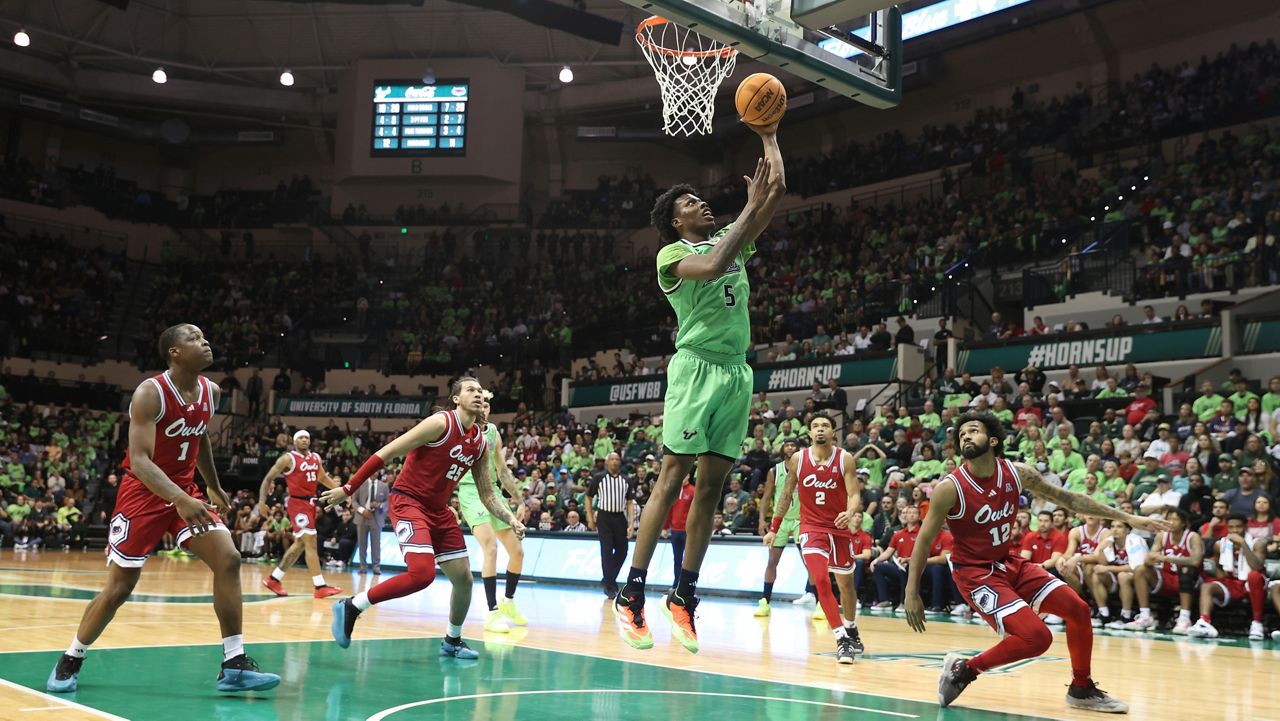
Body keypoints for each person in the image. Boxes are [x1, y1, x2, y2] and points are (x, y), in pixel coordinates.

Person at [614, 120, 786, 653]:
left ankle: (684, 596)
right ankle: (631, 593)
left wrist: (769, 136)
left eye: (700, 199)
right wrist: (745, 215)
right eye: (690, 202)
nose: (701, 203)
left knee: (711, 487)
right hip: (695, 369)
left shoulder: (728, 240)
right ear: (674, 219)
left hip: (737, 372)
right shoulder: (671, 257)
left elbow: (775, 190)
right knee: (672, 478)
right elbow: (713, 263)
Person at [47, 324, 280, 694]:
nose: (205, 342)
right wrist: (180, 498)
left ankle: (234, 663)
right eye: (194, 338)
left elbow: (200, 435)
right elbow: (139, 461)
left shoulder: (212, 392)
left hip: (184, 492)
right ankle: (72, 656)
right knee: (120, 588)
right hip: (143, 493)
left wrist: (212, 485)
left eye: (204, 337)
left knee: (229, 559)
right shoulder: (149, 393)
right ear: (174, 352)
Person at [904, 411, 1167, 714]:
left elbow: (1069, 499)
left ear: (992, 439)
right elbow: (923, 541)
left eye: (973, 430)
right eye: (961, 434)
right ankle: (965, 670)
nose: (965, 436)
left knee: (1078, 610)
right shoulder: (949, 488)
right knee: (1037, 638)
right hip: (976, 574)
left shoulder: (1017, 473)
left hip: (1009, 562)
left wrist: (1127, 517)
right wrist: (912, 592)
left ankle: (1081, 688)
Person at [321, 377, 525, 660]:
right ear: (456, 399)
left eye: (481, 391)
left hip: (439, 511)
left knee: (464, 580)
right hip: (409, 503)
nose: (478, 395)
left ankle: (452, 641)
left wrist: (511, 518)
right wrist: (348, 488)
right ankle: (352, 606)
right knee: (422, 574)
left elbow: (488, 493)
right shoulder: (441, 423)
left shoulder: (479, 443)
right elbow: (387, 452)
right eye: (471, 390)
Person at [763, 414, 866, 663]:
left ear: (833, 433)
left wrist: (850, 512)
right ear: (809, 433)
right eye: (816, 426)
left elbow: (854, 495)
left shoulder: (845, 459)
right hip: (810, 528)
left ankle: (851, 627)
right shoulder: (799, 459)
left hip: (839, 528)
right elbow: (786, 494)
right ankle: (841, 638)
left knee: (846, 586)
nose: (820, 429)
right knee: (820, 580)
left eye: (825, 426)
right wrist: (773, 527)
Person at [456, 396, 527, 633]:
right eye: (480, 404)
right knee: (491, 548)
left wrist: (520, 500)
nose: (483, 408)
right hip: (470, 491)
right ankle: (492, 612)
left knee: (517, 552)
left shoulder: (493, 432)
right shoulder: (462, 430)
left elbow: (503, 470)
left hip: (493, 491)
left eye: (487, 405)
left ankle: (508, 602)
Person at [259, 430, 343, 598]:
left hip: (310, 503)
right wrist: (262, 501)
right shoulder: (288, 459)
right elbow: (268, 478)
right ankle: (320, 587)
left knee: (299, 545)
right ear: (295, 441)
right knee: (310, 541)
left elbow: (323, 478)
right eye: (301, 438)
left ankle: (274, 579)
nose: (305, 440)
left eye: (307, 438)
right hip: (297, 503)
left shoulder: (316, 458)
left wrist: (342, 491)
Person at [1187, 514, 1267, 640]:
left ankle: (1257, 624)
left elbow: (1257, 567)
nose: (1234, 530)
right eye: (1231, 527)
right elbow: (1219, 567)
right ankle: (1204, 622)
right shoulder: (1220, 544)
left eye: (1238, 527)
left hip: (1252, 584)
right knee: (1207, 586)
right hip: (1233, 582)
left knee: (1254, 576)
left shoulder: (1257, 544)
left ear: (1245, 527)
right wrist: (1223, 582)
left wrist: (1243, 545)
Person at [1124, 508, 1204, 634]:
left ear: (1183, 523)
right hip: (1167, 578)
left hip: (1191, 581)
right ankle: (1145, 616)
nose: (1171, 522)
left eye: (1175, 519)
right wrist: (1149, 559)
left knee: (1186, 571)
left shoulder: (1192, 536)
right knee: (1140, 570)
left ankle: (1184, 618)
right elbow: (1150, 557)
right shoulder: (1162, 536)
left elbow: (1196, 561)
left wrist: (1167, 558)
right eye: (1169, 519)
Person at [754, 438, 802, 617]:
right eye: (787, 445)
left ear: (798, 449)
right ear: (782, 449)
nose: (790, 448)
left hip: (800, 520)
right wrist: (761, 520)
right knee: (772, 562)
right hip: (779, 521)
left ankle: (819, 603)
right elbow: (766, 497)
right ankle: (765, 601)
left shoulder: (804, 468)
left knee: (810, 563)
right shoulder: (775, 470)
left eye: (793, 445)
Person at [586, 452, 638, 599]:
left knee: (623, 551)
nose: (614, 462)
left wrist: (631, 524)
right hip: (604, 517)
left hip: (619, 517)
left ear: (620, 462)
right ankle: (610, 587)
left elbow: (629, 503)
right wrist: (590, 518)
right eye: (612, 459)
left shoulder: (626, 480)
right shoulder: (599, 478)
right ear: (607, 462)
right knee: (607, 551)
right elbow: (588, 498)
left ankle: (608, 579)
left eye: (617, 459)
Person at [1088, 519, 1139, 629]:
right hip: (1116, 578)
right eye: (1112, 526)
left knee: (1123, 576)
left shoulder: (1135, 541)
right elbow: (1103, 564)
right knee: (1097, 574)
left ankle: (1126, 616)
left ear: (1128, 529)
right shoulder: (1109, 542)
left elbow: (1134, 567)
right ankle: (1104, 614)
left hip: (1137, 578)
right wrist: (1101, 549)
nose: (1115, 529)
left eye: (1119, 526)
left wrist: (1107, 568)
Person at [352, 466, 390, 573]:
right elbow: (354, 501)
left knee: (376, 543)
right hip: (362, 516)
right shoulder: (360, 484)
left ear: (378, 472)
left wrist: (380, 505)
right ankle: (362, 567)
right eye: (372, 471)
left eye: (375, 471)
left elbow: (388, 502)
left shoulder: (384, 486)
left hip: (376, 517)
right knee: (361, 543)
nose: (374, 473)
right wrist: (361, 510)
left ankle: (376, 567)